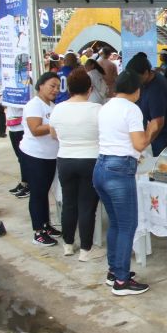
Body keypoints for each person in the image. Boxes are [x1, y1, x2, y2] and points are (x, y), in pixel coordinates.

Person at [93, 70, 154, 296]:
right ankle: (121, 282)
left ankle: (114, 271)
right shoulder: (132, 109)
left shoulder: (106, 106)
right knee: (127, 225)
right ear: (135, 90)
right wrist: (151, 130)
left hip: (101, 167)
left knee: (116, 224)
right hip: (119, 170)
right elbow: (139, 145)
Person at [49, 69, 103, 261]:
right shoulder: (97, 109)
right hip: (91, 160)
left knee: (69, 204)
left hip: (65, 159)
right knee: (87, 206)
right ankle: (86, 250)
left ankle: (68, 244)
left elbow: (54, 134)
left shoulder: (58, 109)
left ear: (69, 88)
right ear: (90, 89)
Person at [20, 72, 62, 247]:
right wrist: (55, 126)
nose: (56, 90)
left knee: (44, 192)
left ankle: (46, 225)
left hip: (49, 156)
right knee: (37, 193)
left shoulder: (53, 106)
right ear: (41, 85)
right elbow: (35, 129)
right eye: (52, 86)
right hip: (34, 155)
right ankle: (38, 232)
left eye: (58, 87)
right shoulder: (34, 105)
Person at [127, 53, 167, 156]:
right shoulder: (143, 82)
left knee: (160, 161)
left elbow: (158, 122)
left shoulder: (156, 88)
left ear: (146, 73)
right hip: (156, 128)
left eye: (137, 77)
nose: (134, 80)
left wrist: (144, 143)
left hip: (166, 132)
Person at [7, 104, 29, 198]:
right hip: (12, 125)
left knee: (25, 159)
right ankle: (24, 182)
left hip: (21, 126)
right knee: (20, 158)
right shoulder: (5, 88)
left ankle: (29, 184)